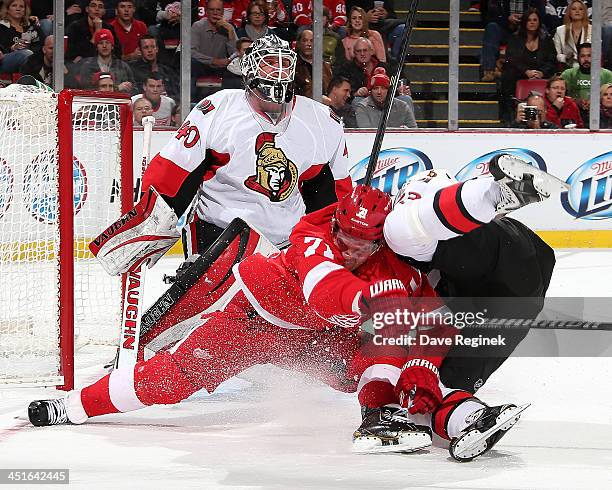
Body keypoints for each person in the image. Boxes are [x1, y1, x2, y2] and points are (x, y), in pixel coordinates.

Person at [28, 182, 529, 462]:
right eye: (347, 238)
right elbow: (323, 290)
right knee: (174, 378)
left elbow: (429, 327)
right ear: (335, 223)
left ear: (382, 239)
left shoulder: (393, 264)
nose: (353, 249)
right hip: (255, 324)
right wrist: (366, 298)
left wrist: (417, 378)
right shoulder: (312, 229)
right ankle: (71, 407)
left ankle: (446, 417)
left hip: (323, 345)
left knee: (399, 359)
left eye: (365, 243)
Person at [499, 8, 557, 125]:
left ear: (539, 22)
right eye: (529, 20)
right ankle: (509, 117)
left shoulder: (546, 40)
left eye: (535, 20)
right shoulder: (515, 39)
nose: (532, 22)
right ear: (524, 22)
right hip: (519, 73)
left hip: (540, 73)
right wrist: (526, 71)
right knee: (507, 76)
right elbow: (511, 59)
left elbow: (551, 60)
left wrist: (542, 73)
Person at [479, 0, 546, 82]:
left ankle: (540, 71)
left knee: (542, 29)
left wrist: (525, 18)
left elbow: (542, 16)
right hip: (506, 28)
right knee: (491, 27)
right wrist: (507, 19)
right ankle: (489, 70)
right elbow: (489, 17)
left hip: (526, 30)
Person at [191, 0, 237, 100]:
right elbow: (191, 52)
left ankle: (229, 104)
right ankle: (189, 102)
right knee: (191, 64)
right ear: (206, 11)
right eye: (212, 10)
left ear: (223, 12)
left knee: (235, 70)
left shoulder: (228, 27)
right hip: (201, 66)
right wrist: (213, 61)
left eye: (218, 10)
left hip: (221, 68)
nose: (215, 13)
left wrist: (230, 32)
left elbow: (236, 54)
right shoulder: (197, 26)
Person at [562, 43, 612, 125]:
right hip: (574, 111)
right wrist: (575, 101)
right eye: (582, 56)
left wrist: (596, 102)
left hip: (602, 115)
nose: (586, 59)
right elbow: (560, 95)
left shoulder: (607, 75)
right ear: (578, 58)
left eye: (589, 56)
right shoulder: (568, 74)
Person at [78, 28, 135, 93]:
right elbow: (85, 89)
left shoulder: (123, 66)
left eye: (107, 42)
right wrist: (116, 88)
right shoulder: (87, 66)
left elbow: (135, 89)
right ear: (96, 47)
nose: (104, 46)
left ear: (112, 46)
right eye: (101, 43)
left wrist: (129, 87)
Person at [129, 35, 179, 102]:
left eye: (152, 47)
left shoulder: (167, 71)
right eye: (146, 47)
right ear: (140, 51)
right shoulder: (133, 70)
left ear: (157, 49)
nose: (150, 50)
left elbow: (177, 94)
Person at [0, 0, 43, 73]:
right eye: (14, 6)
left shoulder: (32, 26)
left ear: (25, 11)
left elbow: (41, 44)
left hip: (32, 58)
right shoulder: (2, 27)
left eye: (21, 6)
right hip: (6, 61)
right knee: (26, 54)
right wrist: (12, 48)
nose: (18, 9)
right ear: (7, 9)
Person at [294, 29, 333, 99]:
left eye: (311, 41)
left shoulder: (325, 66)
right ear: (299, 43)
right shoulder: (293, 66)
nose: (308, 44)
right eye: (305, 40)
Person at [553, 0, 591, 69]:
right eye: (574, 9)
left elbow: (598, 53)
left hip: (588, 68)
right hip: (568, 67)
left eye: (580, 9)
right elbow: (557, 54)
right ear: (569, 12)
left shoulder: (592, 30)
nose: (577, 11)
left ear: (584, 12)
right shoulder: (560, 30)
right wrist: (566, 57)